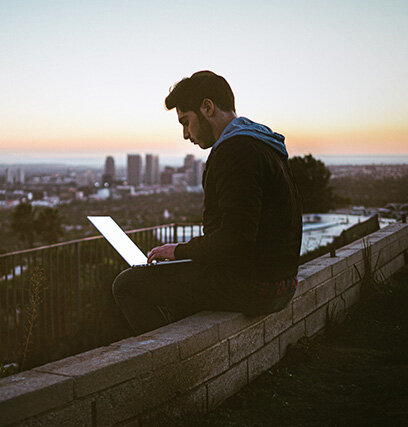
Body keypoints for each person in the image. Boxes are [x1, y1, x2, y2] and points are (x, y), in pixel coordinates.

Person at [112, 71, 303, 335]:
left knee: (127, 284)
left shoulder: (235, 151)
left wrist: (179, 251)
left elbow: (234, 241)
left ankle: (169, 360)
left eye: (185, 122)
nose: (185, 134)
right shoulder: (263, 144)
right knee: (178, 285)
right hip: (280, 282)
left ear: (208, 107)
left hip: (257, 287)